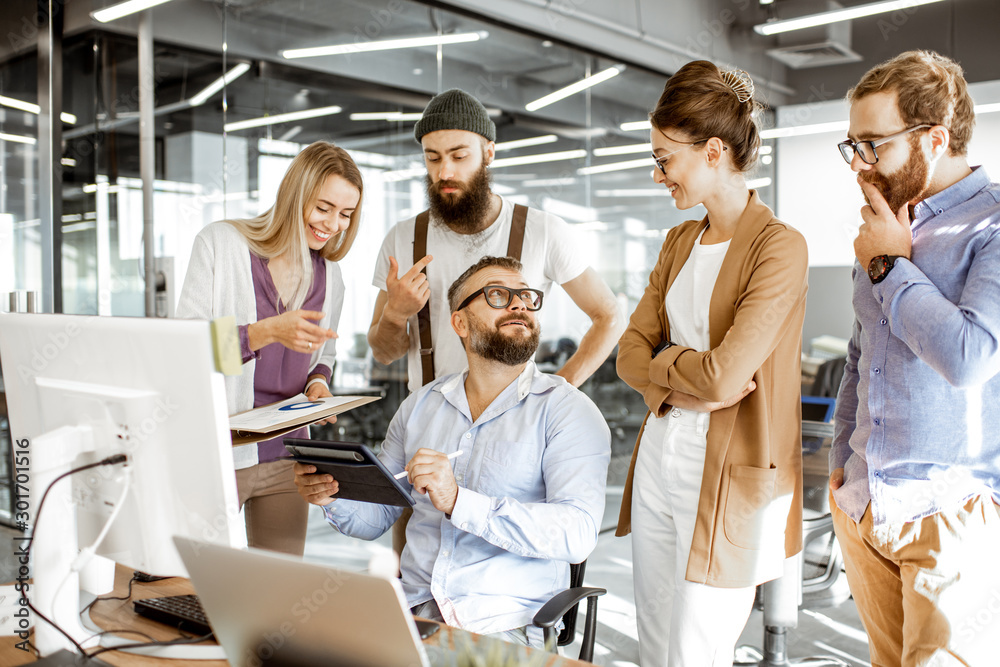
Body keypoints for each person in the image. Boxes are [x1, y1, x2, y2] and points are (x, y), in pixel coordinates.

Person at [294, 256, 610, 648]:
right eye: (499, 295)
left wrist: (460, 501)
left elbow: (576, 533)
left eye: (527, 297)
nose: (520, 305)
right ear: (459, 323)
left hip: (502, 624)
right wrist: (332, 495)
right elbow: (375, 517)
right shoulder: (420, 407)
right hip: (412, 614)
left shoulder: (569, 412)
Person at [614, 61, 808, 667]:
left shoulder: (779, 246)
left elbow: (728, 378)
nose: (657, 174)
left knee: (695, 651)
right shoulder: (678, 243)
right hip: (660, 455)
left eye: (665, 158)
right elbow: (626, 356)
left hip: (731, 472)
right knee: (653, 638)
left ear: (715, 150)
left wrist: (663, 366)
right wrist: (681, 383)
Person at [830, 50, 1000, 666]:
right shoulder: (882, 224)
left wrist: (889, 266)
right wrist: (842, 459)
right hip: (866, 502)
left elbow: (970, 357)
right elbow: (860, 350)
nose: (860, 166)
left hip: (950, 510)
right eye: (852, 146)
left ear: (934, 138)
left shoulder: (993, 226)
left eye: (873, 145)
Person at [367, 87, 623, 393]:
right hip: (427, 424)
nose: (444, 171)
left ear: (489, 152)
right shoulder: (403, 238)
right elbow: (384, 354)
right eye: (432, 158)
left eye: (459, 156)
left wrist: (557, 392)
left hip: (517, 425)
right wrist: (395, 314)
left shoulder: (542, 230)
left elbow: (610, 316)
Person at [176, 141, 363, 556]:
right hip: (220, 454)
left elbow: (322, 358)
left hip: (288, 458)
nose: (332, 224)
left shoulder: (331, 277)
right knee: (197, 590)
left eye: (345, 214)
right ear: (295, 195)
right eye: (323, 207)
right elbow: (184, 355)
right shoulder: (220, 245)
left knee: (278, 592)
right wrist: (263, 333)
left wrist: (318, 383)